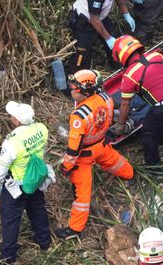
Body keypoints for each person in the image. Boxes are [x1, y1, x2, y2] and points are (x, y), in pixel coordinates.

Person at [56, 70, 134, 240]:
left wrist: (66, 166)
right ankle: (130, 175)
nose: (71, 90)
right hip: (101, 144)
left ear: (86, 89)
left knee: (82, 195)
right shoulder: (106, 98)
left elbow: (73, 149)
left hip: (83, 156)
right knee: (117, 163)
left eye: (74, 88)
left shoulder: (79, 116)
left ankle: (74, 230)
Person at [0, 102, 53, 263]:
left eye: (12, 116)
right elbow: (42, 150)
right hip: (35, 180)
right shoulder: (41, 129)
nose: (11, 118)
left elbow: (1, 168)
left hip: (16, 186)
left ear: (17, 120)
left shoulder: (12, 142)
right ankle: (44, 241)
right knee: (37, 209)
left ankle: (8, 255)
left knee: (10, 219)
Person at [112, 35, 163, 165]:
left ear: (121, 57)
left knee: (147, 133)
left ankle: (154, 166)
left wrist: (121, 125)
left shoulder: (129, 76)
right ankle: (162, 140)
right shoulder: (156, 55)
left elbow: (125, 104)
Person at [66, 0, 135, 72]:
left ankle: (117, 67)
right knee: (83, 51)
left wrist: (126, 13)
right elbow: (94, 20)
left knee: (116, 42)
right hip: (86, 21)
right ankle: (76, 79)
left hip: (100, 16)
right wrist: (108, 39)